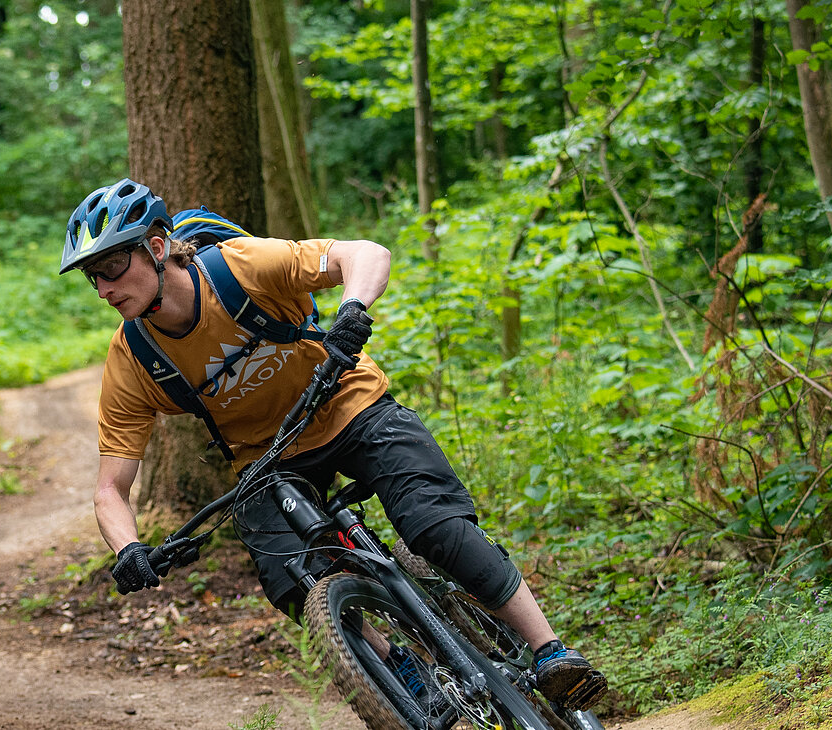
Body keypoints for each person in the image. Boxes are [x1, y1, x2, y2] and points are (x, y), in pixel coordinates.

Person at [62, 178, 607, 711]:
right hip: (267, 461)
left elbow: (364, 254)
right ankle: (398, 673)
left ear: (157, 248)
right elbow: (111, 487)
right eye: (94, 277)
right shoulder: (133, 358)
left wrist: (352, 314)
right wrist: (129, 550)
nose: (105, 288)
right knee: (292, 580)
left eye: (112, 267)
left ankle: (550, 651)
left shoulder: (239, 268)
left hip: (350, 405)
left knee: (436, 527)